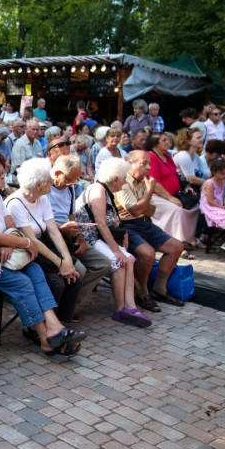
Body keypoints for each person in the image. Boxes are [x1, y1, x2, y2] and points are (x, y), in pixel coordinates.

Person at [0, 151, 86, 357]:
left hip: (6, 254)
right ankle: (45, 339)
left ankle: (54, 326)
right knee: (22, 282)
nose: (3, 176)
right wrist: (26, 242)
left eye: (3, 172)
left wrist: (7, 242)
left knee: (36, 270)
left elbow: (11, 227)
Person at [5, 159, 82, 324]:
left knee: (75, 276)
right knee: (57, 283)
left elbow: (53, 231)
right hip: (28, 251)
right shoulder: (15, 204)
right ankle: (39, 326)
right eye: (49, 180)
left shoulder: (43, 198)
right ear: (39, 185)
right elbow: (31, 240)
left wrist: (67, 259)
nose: (52, 181)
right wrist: (60, 263)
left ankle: (61, 321)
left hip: (44, 246)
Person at [74, 158, 149, 326]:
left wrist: (123, 235)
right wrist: (116, 249)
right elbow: (100, 223)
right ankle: (120, 309)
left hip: (98, 236)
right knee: (119, 260)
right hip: (89, 237)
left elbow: (111, 219)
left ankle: (130, 306)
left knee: (129, 258)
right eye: (123, 178)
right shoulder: (98, 190)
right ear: (115, 178)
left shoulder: (106, 190)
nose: (125, 182)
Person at [114, 150, 186, 310]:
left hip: (145, 223)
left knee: (176, 247)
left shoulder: (144, 181)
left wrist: (141, 205)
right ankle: (142, 292)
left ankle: (159, 290)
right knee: (148, 253)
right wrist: (148, 194)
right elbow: (134, 211)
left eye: (149, 164)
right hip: (126, 226)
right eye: (144, 163)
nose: (148, 168)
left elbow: (151, 211)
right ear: (130, 163)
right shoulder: (123, 181)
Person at [46, 155, 111, 306]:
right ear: (57, 173)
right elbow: (40, 225)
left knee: (103, 263)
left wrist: (80, 236)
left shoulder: (70, 188)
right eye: (69, 180)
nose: (71, 184)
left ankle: (71, 305)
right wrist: (61, 229)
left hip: (69, 234)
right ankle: (61, 306)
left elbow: (71, 216)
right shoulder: (45, 188)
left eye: (75, 180)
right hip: (51, 236)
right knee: (79, 269)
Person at [144, 133, 201, 248]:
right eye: (164, 140)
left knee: (195, 207)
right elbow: (155, 183)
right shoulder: (151, 157)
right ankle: (176, 243)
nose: (168, 142)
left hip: (174, 194)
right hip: (157, 196)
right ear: (155, 144)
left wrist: (185, 186)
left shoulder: (167, 156)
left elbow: (176, 174)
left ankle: (188, 238)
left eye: (168, 140)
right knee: (176, 210)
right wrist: (170, 198)